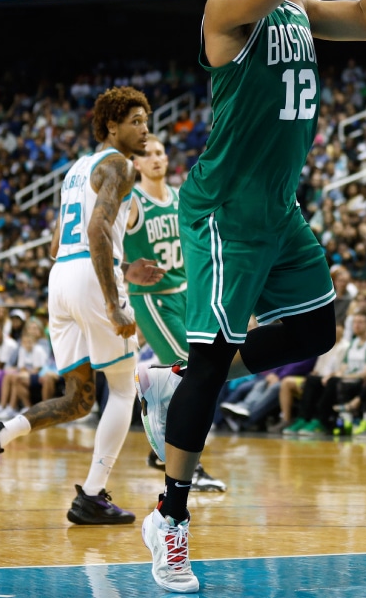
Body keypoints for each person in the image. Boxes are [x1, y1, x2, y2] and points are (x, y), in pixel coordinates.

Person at [135, 0, 366, 593]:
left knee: (316, 329)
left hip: (277, 211)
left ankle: (177, 383)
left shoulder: (294, 5)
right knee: (215, 360)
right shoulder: (226, 8)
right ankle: (172, 518)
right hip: (223, 210)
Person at [0, 88, 165, 526]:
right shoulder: (120, 166)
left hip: (61, 280)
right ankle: (92, 495)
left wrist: (122, 269)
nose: (145, 129)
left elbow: (57, 242)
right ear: (111, 126)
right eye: (136, 121)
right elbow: (97, 230)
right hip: (91, 279)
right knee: (124, 390)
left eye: (147, 120)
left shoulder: (76, 169)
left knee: (78, 399)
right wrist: (114, 300)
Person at [124, 136, 226, 492]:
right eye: (147, 154)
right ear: (135, 164)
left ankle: (162, 446)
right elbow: (102, 247)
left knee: (205, 371)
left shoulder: (180, 196)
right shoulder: (132, 201)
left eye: (160, 152)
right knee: (194, 373)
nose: (156, 159)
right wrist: (125, 270)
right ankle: (188, 468)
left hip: (188, 294)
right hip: (153, 298)